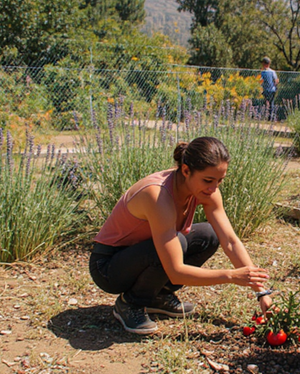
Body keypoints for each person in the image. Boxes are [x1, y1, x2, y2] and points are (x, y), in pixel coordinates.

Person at [89, 137, 274, 334]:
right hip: (108, 268)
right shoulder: (157, 195)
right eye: (208, 180)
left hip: (144, 252)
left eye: (220, 180)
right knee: (176, 243)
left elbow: (230, 240)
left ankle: (158, 296)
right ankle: (131, 303)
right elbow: (175, 271)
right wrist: (230, 276)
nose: (214, 188)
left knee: (208, 235)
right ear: (186, 171)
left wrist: (262, 292)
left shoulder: (207, 191)